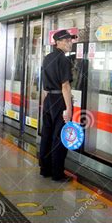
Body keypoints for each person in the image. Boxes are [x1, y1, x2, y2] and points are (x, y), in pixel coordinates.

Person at [39, 29, 76, 181]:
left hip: (49, 99)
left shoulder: (47, 58)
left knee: (47, 135)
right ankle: (57, 173)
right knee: (59, 137)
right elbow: (65, 86)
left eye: (71, 40)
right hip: (60, 100)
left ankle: (45, 169)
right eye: (66, 40)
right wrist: (68, 108)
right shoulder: (64, 60)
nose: (70, 43)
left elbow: (43, 85)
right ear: (57, 42)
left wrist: (45, 104)